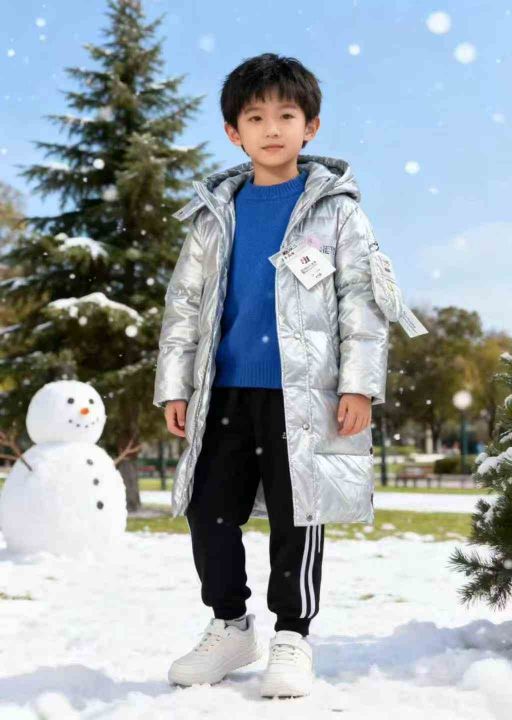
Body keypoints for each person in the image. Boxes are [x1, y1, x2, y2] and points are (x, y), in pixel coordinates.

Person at [153, 52, 390, 698]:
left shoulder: (337, 212)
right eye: (255, 117)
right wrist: (174, 385)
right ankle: (230, 625)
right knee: (209, 509)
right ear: (234, 132)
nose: (272, 128)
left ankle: (292, 634)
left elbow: (362, 303)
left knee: (298, 512)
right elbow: (184, 305)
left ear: (311, 126)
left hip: (303, 396)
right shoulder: (214, 214)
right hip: (224, 392)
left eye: (286, 115)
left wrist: (358, 384)